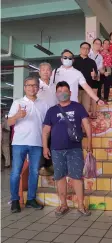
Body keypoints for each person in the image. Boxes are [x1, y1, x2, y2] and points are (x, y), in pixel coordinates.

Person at [42, 81, 92, 216]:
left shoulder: (78, 107)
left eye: (65, 90)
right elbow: (46, 131)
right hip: (56, 150)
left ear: (70, 93)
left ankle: (81, 205)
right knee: (60, 177)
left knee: (77, 177)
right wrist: (45, 147)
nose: (62, 93)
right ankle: (63, 205)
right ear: (56, 94)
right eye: (59, 91)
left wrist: (90, 142)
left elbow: (87, 124)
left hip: (74, 148)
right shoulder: (52, 111)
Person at [8, 77, 49, 213]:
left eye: (35, 85)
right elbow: (8, 123)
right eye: (29, 85)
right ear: (25, 87)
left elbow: (46, 125)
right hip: (19, 142)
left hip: (36, 143)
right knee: (15, 172)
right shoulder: (17, 103)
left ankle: (31, 199)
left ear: (38, 87)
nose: (32, 88)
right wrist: (17, 116)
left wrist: (45, 144)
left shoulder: (44, 104)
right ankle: (15, 200)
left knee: (34, 172)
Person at [38, 62, 57, 176]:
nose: (45, 71)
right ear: (39, 72)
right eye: (43, 69)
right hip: (40, 118)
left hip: (54, 119)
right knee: (41, 142)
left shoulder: (55, 86)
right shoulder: (36, 86)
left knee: (52, 141)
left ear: (51, 72)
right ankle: (41, 166)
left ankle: (50, 165)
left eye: (48, 70)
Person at [73, 42, 98, 114]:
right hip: (75, 89)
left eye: (87, 48)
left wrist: (94, 75)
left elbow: (96, 78)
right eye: (83, 48)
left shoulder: (92, 62)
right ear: (80, 49)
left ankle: (84, 125)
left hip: (87, 90)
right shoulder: (74, 61)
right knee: (75, 110)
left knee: (85, 110)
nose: (85, 50)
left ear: (89, 50)